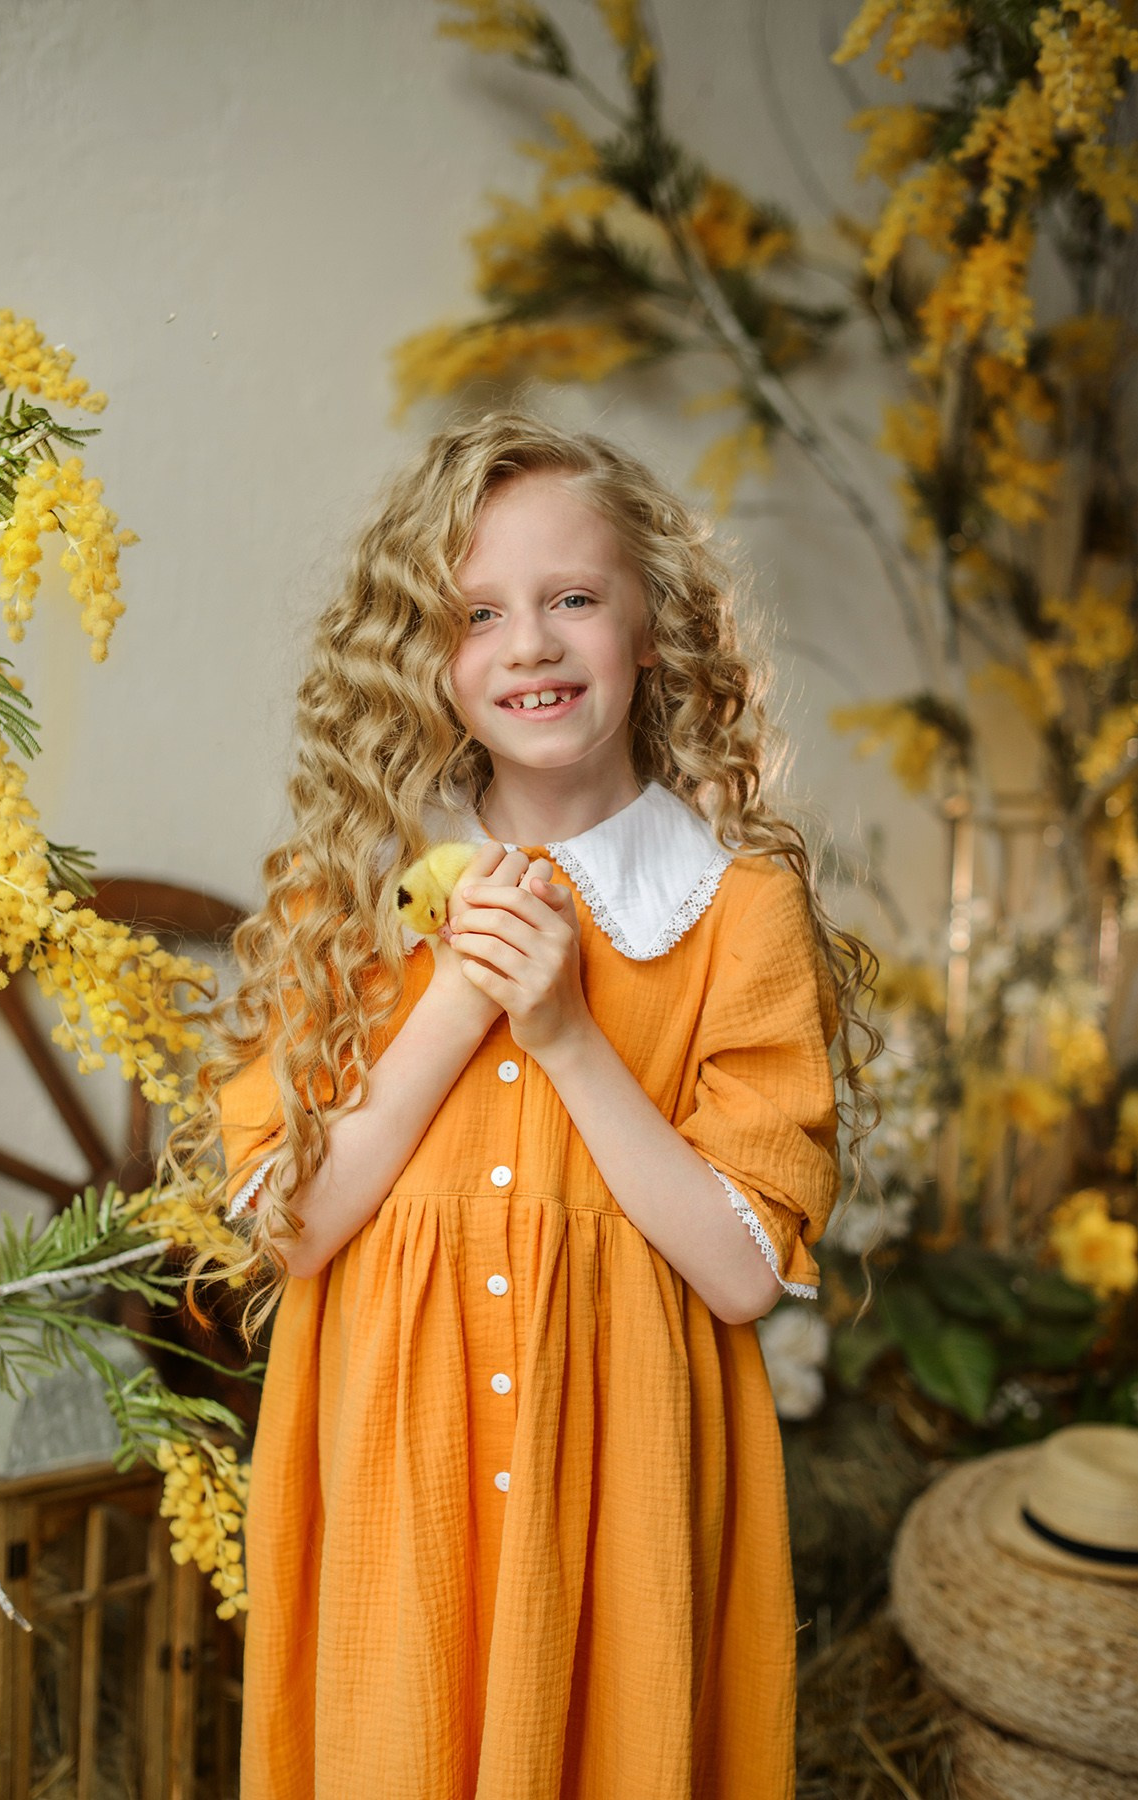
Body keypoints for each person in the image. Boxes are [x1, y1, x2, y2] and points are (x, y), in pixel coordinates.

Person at [164, 410, 882, 1799]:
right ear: (423, 656)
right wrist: (456, 999)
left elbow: (740, 1274)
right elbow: (293, 1231)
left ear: (651, 629)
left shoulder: (734, 915)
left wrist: (562, 1035)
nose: (530, 646)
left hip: (626, 1491)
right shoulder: (348, 902)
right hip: (398, 1471)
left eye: (571, 600)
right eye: (475, 612)